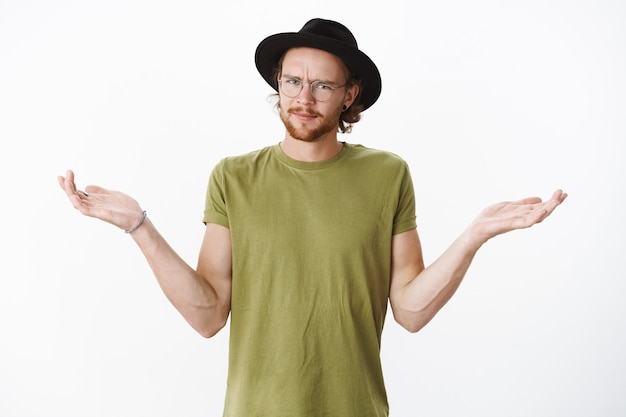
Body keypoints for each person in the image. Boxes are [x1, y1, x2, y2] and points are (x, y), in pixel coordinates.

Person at [58, 18, 567, 417]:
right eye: (293, 81)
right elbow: (209, 314)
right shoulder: (234, 178)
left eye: (322, 86)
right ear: (277, 83)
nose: (303, 98)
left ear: (349, 94)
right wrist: (139, 227)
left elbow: (410, 310)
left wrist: (475, 234)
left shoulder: (387, 175)